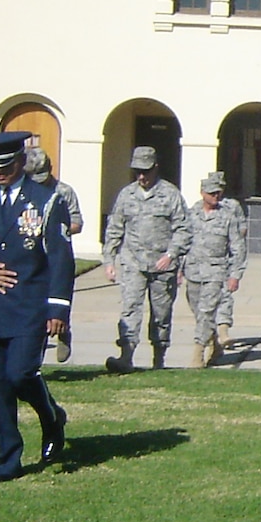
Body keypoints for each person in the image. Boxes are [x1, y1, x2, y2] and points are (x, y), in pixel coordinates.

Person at [0, 131, 74, 483]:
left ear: (21, 161)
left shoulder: (48, 201)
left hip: (29, 308)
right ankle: (7, 462)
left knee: (19, 374)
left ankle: (51, 416)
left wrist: (57, 311)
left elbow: (61, 261)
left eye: (5, 165)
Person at [101, 146, 191, 372]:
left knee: (161, 313)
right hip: (133, 262)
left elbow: (184, 230)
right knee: (130, 309)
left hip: (162, 266)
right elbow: (115, 228)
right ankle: (126, 356)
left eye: (146, 171)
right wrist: (109, 260)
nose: (141, 177)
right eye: (137, 172)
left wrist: (171, 255)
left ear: (155, 168)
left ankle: (158, 358)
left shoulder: (171, 195)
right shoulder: (127, 195)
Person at [24, 145, 84, 363]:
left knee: (59, 295)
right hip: (32, 254)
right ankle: (33, 359)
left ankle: (63, 330)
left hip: (56, 252)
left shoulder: (63, 191)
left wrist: (58, 228)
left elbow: (77, 222)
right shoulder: (25, 193)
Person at [183, 171, 248, 369]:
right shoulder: (191, 213)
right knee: (198, 311)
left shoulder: (228, 216)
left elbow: (238, 248)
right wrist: (177, 266)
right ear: (202, 192)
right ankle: (214, 342)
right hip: (193, 271)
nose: (215, 196)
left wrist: (235, 275)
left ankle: (198, 352)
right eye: (211, 193)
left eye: (218, 193)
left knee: (206, 311)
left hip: (216, 271)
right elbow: (182, 241)